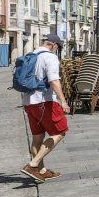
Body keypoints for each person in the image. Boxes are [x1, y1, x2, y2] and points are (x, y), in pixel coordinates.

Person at [20, 33, 69, 183]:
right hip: (44, 101)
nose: (56, 50)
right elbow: (54, 80)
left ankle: (41, 171)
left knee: (38, 136)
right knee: (60, 132)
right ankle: (33, 165)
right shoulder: (50, 57)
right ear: (53, 45)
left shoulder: (30, 55)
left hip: (28, 101)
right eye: (57, 47)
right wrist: (63, 101)